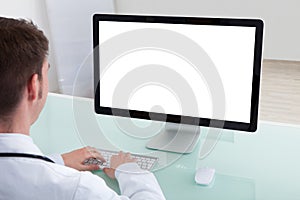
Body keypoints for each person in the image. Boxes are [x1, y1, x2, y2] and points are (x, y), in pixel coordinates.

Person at [0, 17, 166, 200]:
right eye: (47, 71)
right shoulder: (76, 189)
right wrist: (130, 171)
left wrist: (56, 162)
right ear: (34, 86)